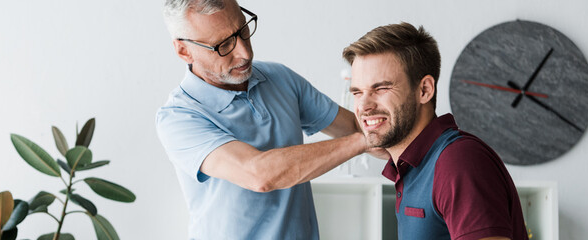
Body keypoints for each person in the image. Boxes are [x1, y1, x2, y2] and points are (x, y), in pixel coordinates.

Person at [156, 0, 380, 239]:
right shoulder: (179, 117)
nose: (244, 53)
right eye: (223, 45)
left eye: (243, 30)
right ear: (184, 51)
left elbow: (358, 128)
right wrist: (363, 142)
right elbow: (258, 174)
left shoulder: (280, 78)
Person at [343, 22, 528, 240]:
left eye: (381, 88)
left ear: (424, 90)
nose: (364, 106)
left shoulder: (457, 161)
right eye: (357, 92)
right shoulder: (411, 168)